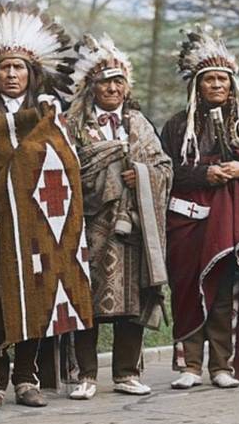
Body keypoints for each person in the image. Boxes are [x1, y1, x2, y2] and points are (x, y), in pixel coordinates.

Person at [0, 0, 93, 409]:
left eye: (19, 68)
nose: (12, 75)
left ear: (32, 74)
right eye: (5, 68)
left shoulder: (49, 113)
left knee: (36, 293)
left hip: (38, 224)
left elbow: (67, 168)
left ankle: (25, 378)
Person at [65, 34, 171, 398]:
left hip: (133, 229)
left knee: (132, 300)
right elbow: (65, 171)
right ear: (90, 87)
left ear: (127, 86)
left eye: (118, 81)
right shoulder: (74, 124)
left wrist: (141, 175)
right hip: (90, 226)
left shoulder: (138, 123)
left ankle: (126, 373)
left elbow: (163, 167)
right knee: (86, 301)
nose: (112, 88)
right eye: (105, 82)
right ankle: (86, 375)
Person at [162, 28, 239, 389]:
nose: (217, 85)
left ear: (232, 83)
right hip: (188, 221)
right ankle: (190, 365)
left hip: (232, 222)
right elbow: (167, 172)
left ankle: (222, 366)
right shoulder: (178, 127)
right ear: (196, 85)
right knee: (187, 289)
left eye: (222, 79)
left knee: (226, 290)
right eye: (209, 80)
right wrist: (203, 174)